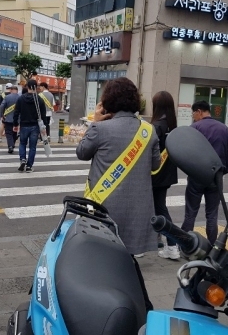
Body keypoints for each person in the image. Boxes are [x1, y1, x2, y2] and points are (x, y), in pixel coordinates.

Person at [76, 77, 160, 313]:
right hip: (137, 210)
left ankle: (104, 306)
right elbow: (155, 166)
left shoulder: (100, 129)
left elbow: (81, 153)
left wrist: (94, 122)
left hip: (104, 208)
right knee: (128, 260)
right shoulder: (149, 131)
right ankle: (140, 306)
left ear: (107, 101)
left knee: (102, 258)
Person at [181, 100, 228, 245]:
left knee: (190, 213)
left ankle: (186, 244)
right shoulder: (224, 129)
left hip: (197, 176)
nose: (193, 117)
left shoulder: (195, 128)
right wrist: (222, 171)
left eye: (193, 114)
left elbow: (187, 154)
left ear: (199, 111)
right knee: (212, 214)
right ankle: (211, 246)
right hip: (216, 176)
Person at [150, 91, 180, 260]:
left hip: (155, 174)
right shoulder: (171, 125)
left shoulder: (156, 127)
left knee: (160, 209)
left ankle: (173, 244)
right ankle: (161, 240)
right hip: (167, 174)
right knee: (158, 207)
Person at [14, 79, 46, 172]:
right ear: (36, 87)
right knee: (32, 146)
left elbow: (16, 112)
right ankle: (29, 166)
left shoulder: (21, 98)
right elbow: (43, 115)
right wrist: (44, 128)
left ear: (27, 87)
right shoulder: (39, 100)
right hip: (35, 126)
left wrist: (15, 124)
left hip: (24, 125)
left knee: (22, 143)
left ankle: (22, 159)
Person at [0, 84, 21, 154]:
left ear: (11, 90)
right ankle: (12, 144)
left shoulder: (7, 97)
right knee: (14, 132)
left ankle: (10, 146)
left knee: (8, 133)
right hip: (17, 119)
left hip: (8, 118)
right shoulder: (20, 97)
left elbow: (2, 106)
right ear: (17, 91)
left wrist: (2, 114)